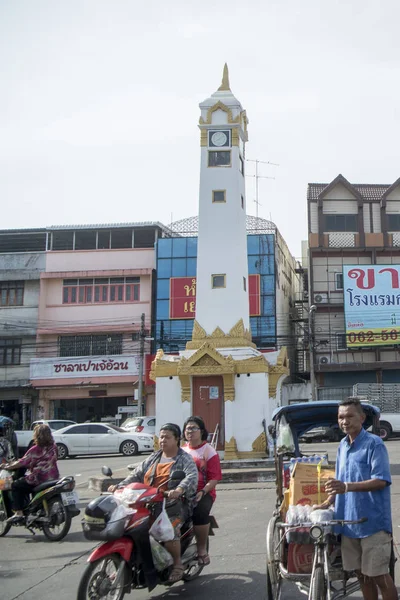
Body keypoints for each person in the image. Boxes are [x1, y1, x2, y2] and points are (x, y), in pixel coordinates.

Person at [315, 397, 397, 600]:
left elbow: (381, 480)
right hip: (348, 523)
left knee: (380, 577)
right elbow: (340, 481)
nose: (345, 421)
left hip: (373, 524)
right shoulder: (342, 445)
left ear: (362, 418)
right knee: (361, 576)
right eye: (341, 417)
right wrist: (327, 502)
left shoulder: (374, 444)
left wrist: (346, 487)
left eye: (350, 416)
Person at [108, 422, 198, 584]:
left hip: (173, 505)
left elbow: (191, 477)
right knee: (127, 527)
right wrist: (119, 486)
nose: (163, 440)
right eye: (161, 437)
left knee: (168, 530)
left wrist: (178, 490)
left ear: (177, 439)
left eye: (167, 437)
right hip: (146, 502)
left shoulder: (185, 458)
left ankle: (177, 564)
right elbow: (136, 475)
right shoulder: (154, 457)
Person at [182, 416, 222, 566]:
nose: (190, 431)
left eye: (193, 428)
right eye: (187, 428)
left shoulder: (208, 451)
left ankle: (201, 550)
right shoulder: (181, 450)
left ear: (202, 431)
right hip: (181, 491)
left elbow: (215, 478)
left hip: (203, 492)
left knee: (199, 512)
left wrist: (203, 492)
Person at [4, 424, 60, 524]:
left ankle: (19, 512)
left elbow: (22, 462)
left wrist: (7, 466)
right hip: (53, 477)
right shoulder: (54, 447)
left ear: (37, 435)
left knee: (15, 485)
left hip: (38, 478)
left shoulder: (35, 449)